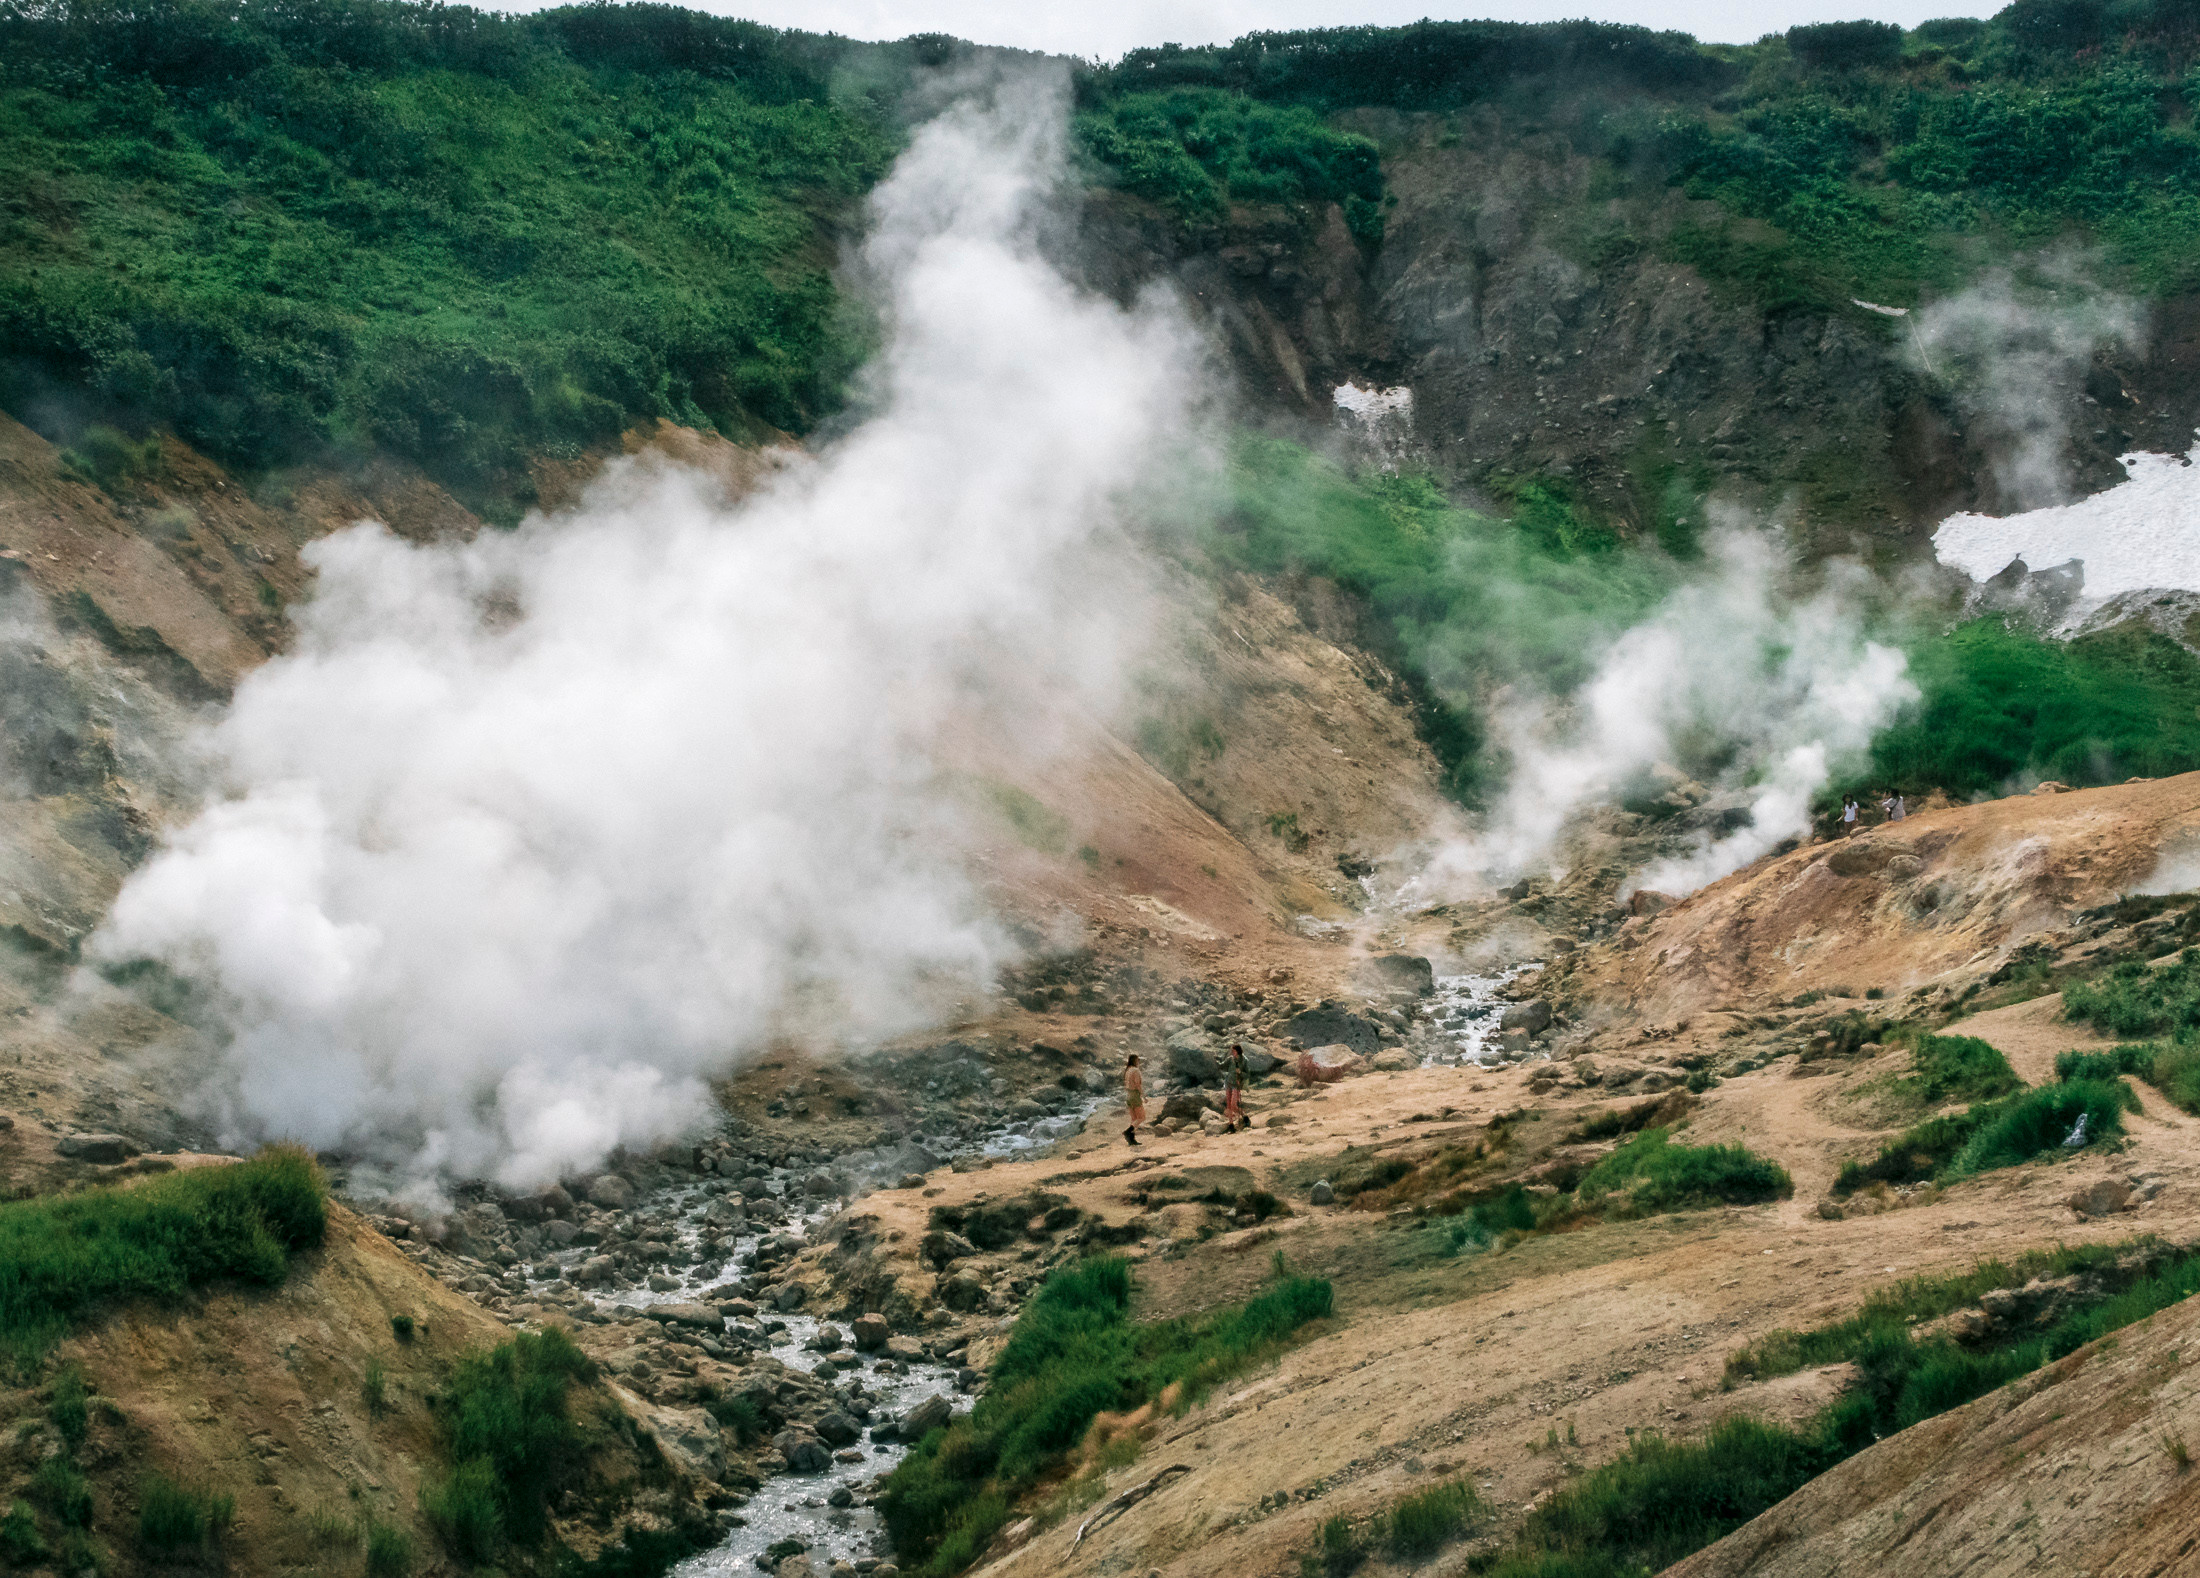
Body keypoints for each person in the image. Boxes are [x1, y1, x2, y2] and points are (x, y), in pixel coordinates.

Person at [1222, 1043, 1249, 1133]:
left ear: (1238, 1051)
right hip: (1228, 1082)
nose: (1232, 1052)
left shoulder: (1244, 1060)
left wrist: (1240, 1072)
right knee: (1229, 1105)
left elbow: (1247, 1074)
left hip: (1236, 1084)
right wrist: (1213, 1060)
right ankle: (1231, 1125)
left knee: (1233, 1105)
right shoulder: (1230, 1059)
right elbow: (1222, 1066)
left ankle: (1244, 1115)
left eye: (1233, 1051)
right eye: (1231, 1051)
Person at [1122, 1053, 1145, 1146]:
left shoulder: (1127, 1070)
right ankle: (1128, 1132)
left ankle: (1131, 1139)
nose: (1139, 1062)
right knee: (1141, 1117)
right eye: (1138, 1060)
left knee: (1134, 1119)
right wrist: (1143, 1096)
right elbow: (1138, 1084)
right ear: (1135, 1061)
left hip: (1128, 1095)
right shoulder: (1136, 1070)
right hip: (1135, 1095)